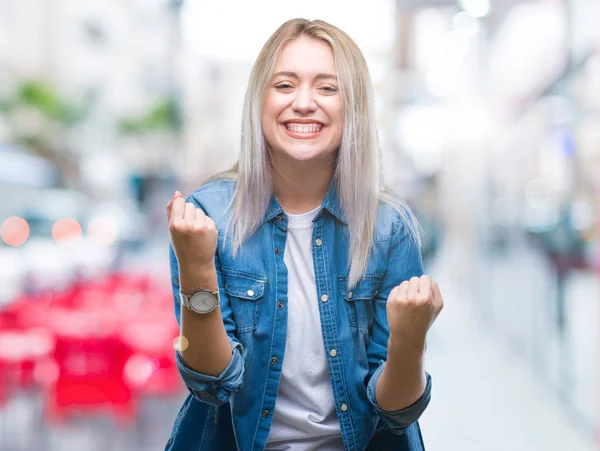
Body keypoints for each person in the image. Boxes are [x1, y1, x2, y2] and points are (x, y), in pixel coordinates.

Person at [164, 18, 443, 451]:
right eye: (285, 85)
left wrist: (409, 343)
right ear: (259, 101)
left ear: (354, 107)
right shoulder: (206, 216)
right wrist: (197, 270)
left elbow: (396, 410)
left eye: (328, 88)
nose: (305, 103)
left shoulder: (389, 227)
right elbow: (211, 383)